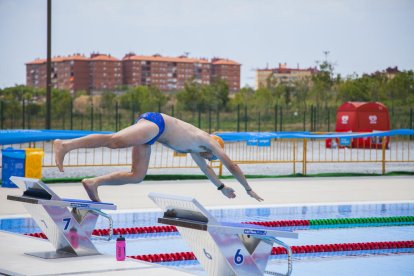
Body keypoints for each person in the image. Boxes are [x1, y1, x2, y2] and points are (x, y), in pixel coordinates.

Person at [54, 112, 263, 202]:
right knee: (115, 141)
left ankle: (93, 183)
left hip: (153, 135)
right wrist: (248, 189)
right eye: (213, 157)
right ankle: (65, 145)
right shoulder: (205, 140)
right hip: (156, 123)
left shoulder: (196, 150)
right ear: (215, 147)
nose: (210, 160)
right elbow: (232, 166)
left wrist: (221, 188)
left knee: (137, 175)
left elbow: (206, 170)